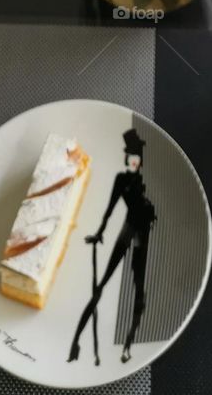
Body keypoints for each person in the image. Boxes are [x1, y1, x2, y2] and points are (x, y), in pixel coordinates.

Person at [67, 127, 156, 364]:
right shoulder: (122, 179)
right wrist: (99, 233)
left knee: (139, 288)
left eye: (138, 156)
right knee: (102, 283)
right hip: (128, 228)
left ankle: (128, 346)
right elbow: (110, 209)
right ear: (127, 157)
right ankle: (75, 343)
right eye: (131, 156)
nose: (134, 161)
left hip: (143, 232)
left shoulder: (148, 180)